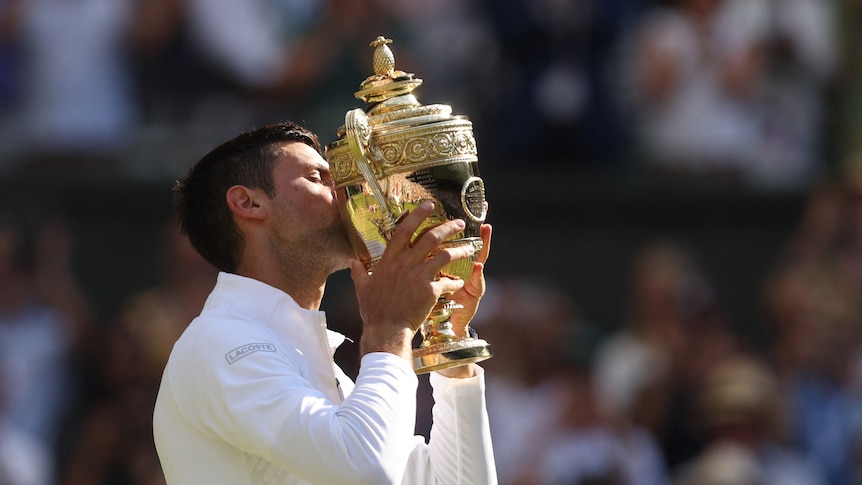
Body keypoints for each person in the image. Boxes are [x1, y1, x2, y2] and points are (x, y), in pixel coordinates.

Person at [152, 120, 498, 484]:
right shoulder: (219, 343)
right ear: (249, 202)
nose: (348, 194)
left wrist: (450, 344)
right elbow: (367, 470)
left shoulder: (316, 367)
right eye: (319, 177)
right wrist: (389, 329)